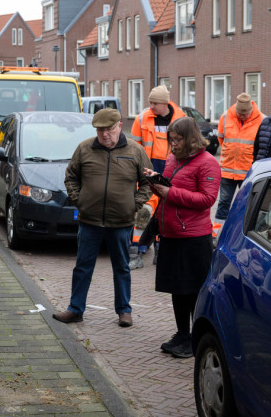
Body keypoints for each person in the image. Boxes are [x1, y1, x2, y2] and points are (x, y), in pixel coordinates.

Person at [53, 108, 152, 327]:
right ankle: (75, 309)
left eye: (108, 129)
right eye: (99, 130)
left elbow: (148, 182)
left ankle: (124, 311)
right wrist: (80, 201)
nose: (104, 134)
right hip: (90, 221)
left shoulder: (135, 151)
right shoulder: (85, 148)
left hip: (121, 222)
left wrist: (133, 205)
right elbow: (71, 176)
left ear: (118, 126)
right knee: (82, 267)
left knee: (122, 267)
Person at [146, 117, 221, 359]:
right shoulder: (172, 159)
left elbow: (207, 199)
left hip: (193, 237)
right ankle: (181, 334)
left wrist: (171, 192)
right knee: (177, 288)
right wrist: (155, 181)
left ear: (190, 139)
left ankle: (195, 339)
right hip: (172, 233)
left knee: (193, 290)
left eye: (177, 140)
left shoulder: (208, 163)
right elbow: (168, 188)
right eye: (171, 140)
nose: (173, 145)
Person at [129, 85, 186, 269]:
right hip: (147, 170)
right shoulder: (142, 118)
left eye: (154, 103)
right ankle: (135, 252)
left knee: (164, 212)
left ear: (165, 103)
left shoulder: (182, 119)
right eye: (150, 102)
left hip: (171, 171)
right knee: (144, 211)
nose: (151, 106)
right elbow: (134, 146)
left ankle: (160, 252)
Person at [215, 93, 263, 221]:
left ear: (251, 111)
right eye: (239, 114)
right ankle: (217, 231)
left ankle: (239, 230)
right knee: (224, 202)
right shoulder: (226, 117)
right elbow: (221, 139)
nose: (242, 117)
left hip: (248, 172)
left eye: (245, 114)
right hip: (227, 170)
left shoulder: (262, 120)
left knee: (246, 204)